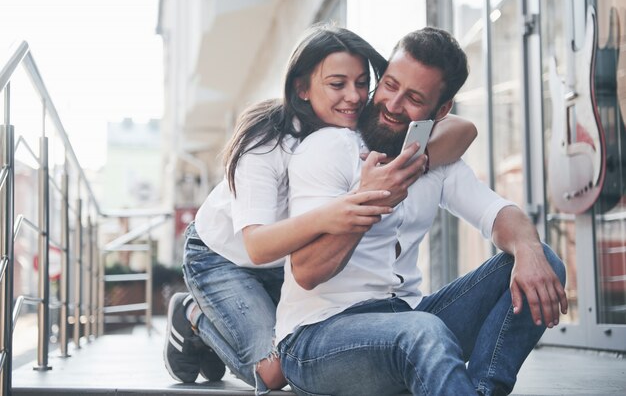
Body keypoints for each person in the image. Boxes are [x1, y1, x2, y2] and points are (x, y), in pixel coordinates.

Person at [163, 24, 478, 394]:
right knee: (274, 373)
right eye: (337, 84)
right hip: (225, 257)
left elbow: (463, 129)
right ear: (302, 87)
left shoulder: (358, 121)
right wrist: (337, 212)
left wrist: (414, 161)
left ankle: (224, 328)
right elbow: (257, 246)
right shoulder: (266, 142)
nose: (354, 96)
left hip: (286, 260)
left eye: (362, 83)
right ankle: (191, 315)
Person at [276, 27, 568, 396]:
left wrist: (528, 250)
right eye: (390, 85)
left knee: (544, 260)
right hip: (317, 339)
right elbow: (306, 271)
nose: (394, 104)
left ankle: (481, 390)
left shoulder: (432, 158)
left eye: (414, 97)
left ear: (441, 110)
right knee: (422, 332)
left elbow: (498, 213)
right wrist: (374, 199)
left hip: (407, 317)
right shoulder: (331, 147)